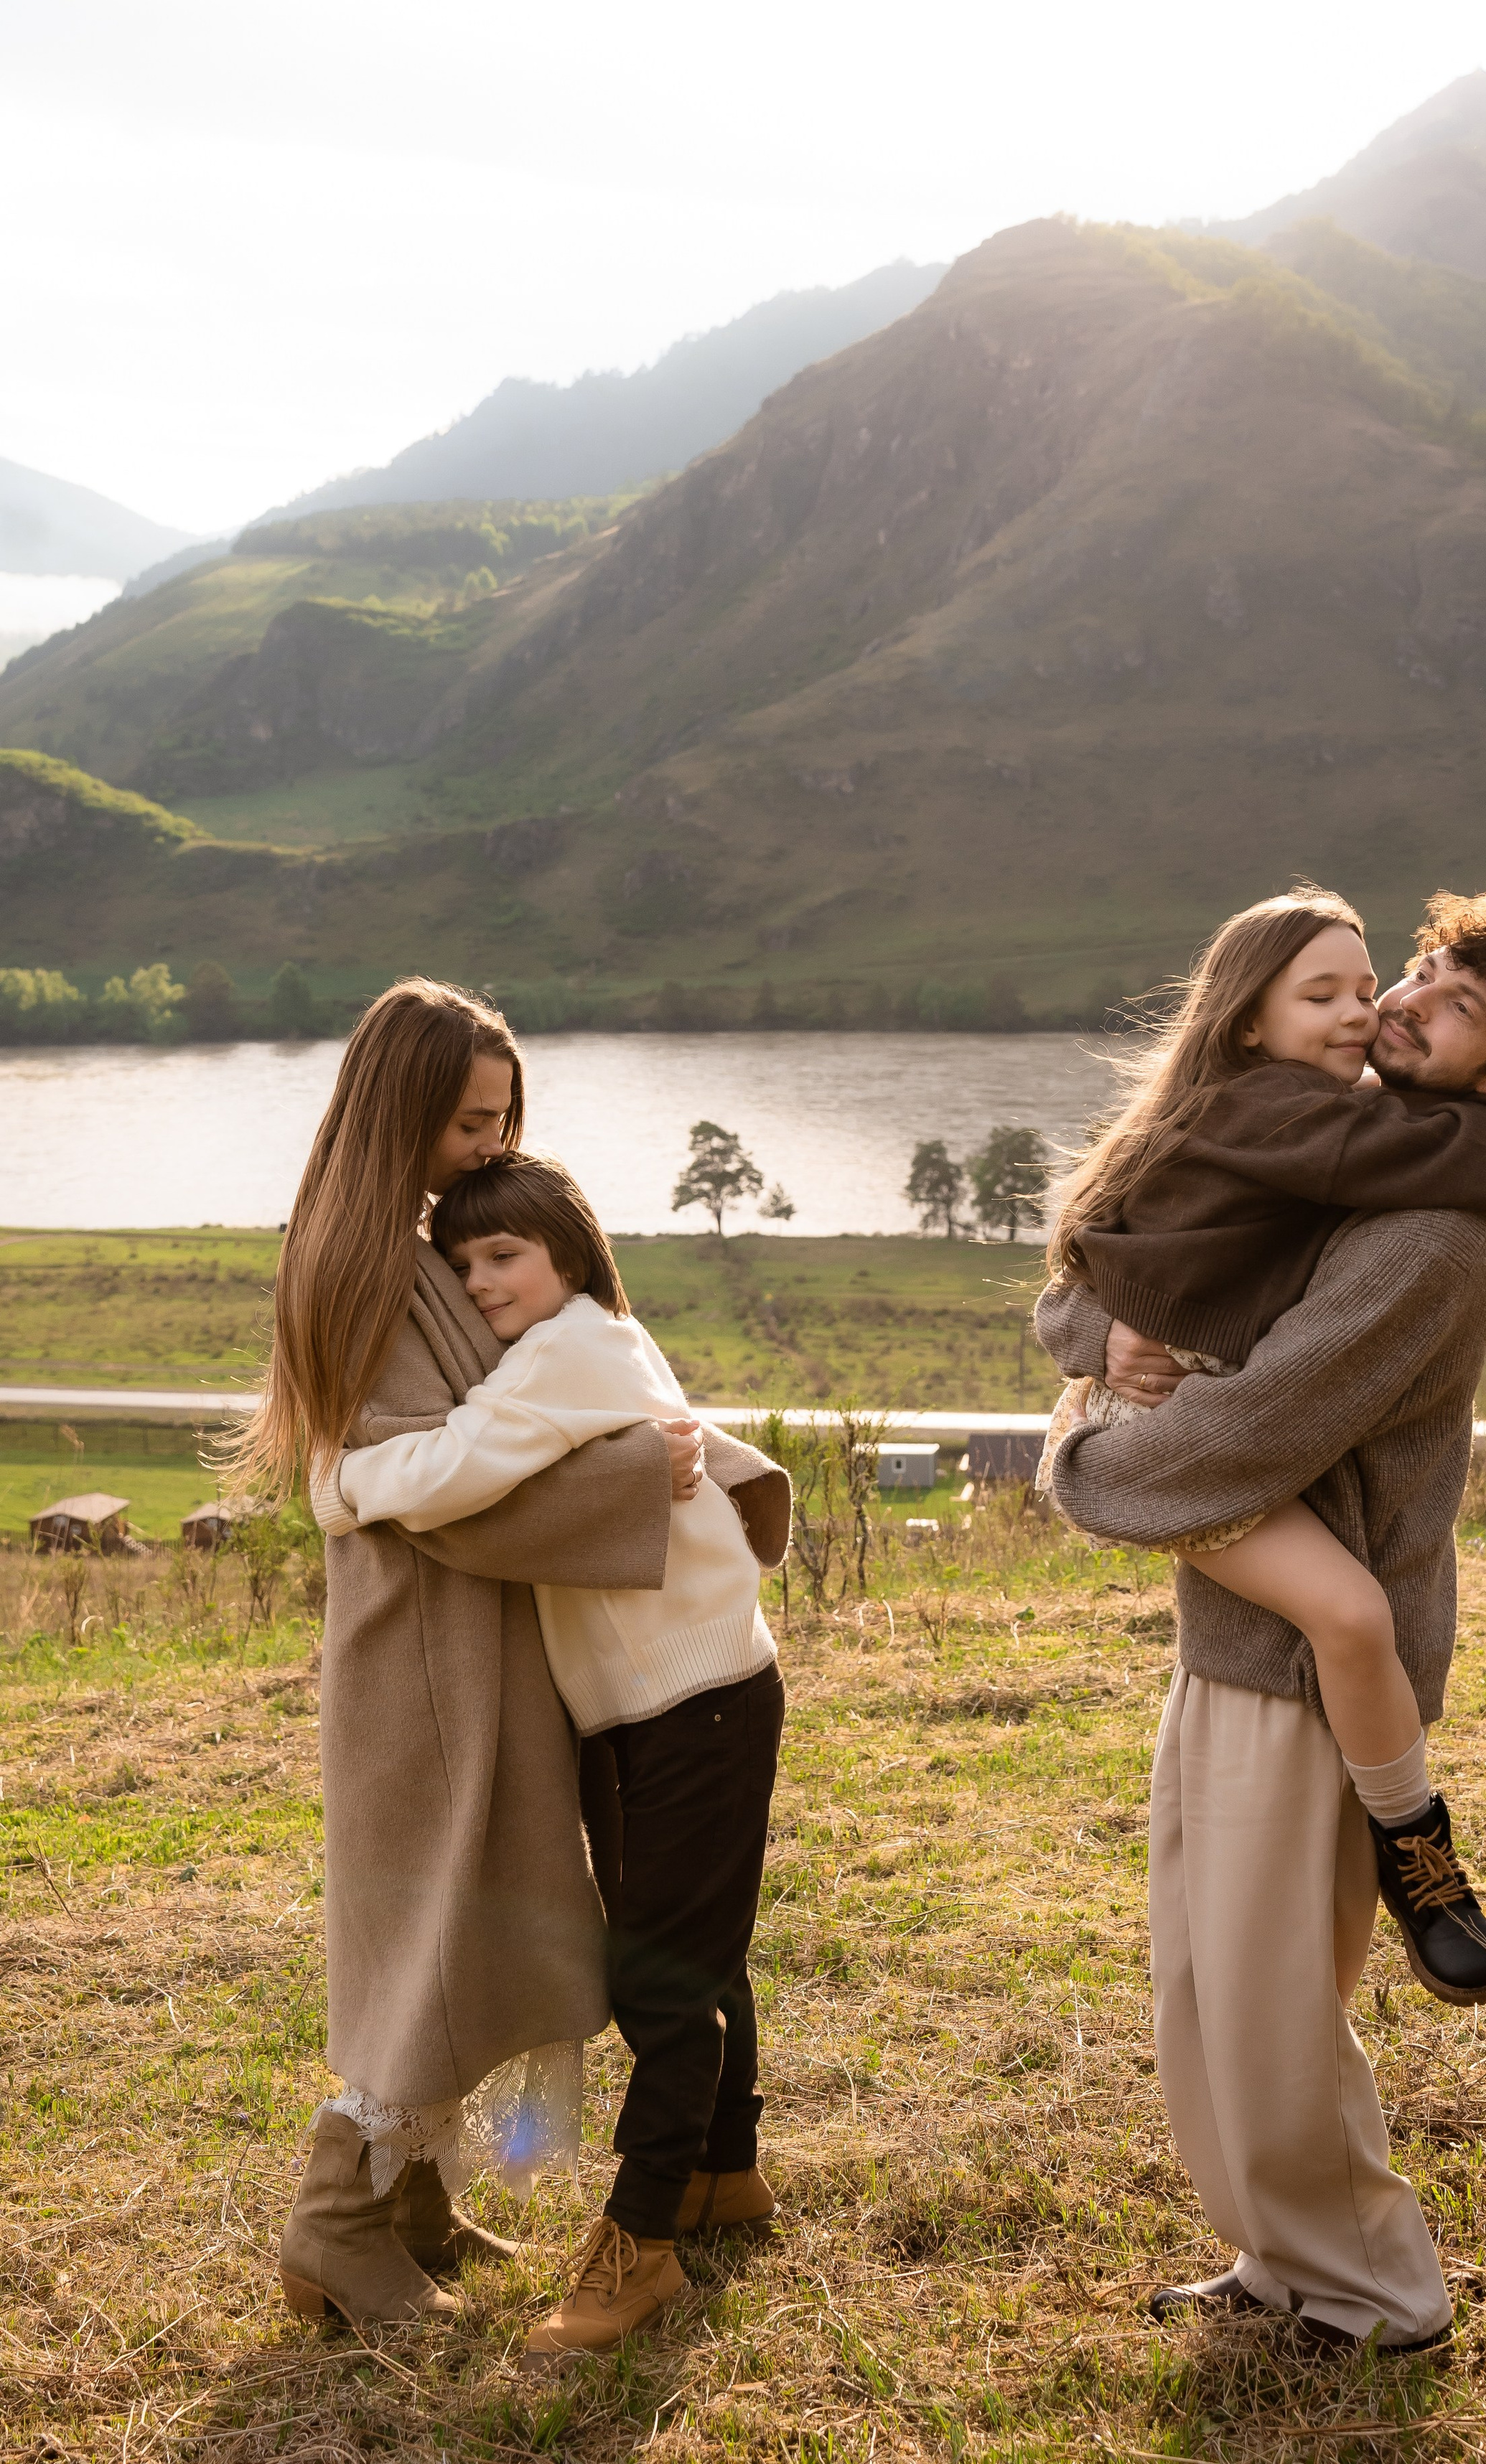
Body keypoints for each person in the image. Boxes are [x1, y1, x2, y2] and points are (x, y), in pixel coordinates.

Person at [1036, 891, 1486, 2351]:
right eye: (1414, 973)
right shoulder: (1338, 1153)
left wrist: (1081, 1459)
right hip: (1234, 1626)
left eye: (1448, 1001)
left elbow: (1255, 1427)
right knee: (1206, 1981)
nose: (1403, 1003)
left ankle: (1373, 2290)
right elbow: (1131, 1267)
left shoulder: (1429, 1231)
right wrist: (1093, 1348)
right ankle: (1277, 2261)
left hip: (1306, 1659)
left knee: (1271, 2002)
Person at [232, 978, 784, 2338]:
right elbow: (444, 1480)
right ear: (402, 1110)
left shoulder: (407, 1240)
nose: (490, 1144)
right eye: (468, 1120)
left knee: (477, 1907)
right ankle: (339, 2221)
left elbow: (499, 1439)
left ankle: (413, 2196)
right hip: (428, 1637)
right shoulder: (359, 1262)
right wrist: (640, 1477)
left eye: (504, 1117)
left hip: (484, 1629)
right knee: (428, 1920)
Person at [1040, 886, 1486, 2006]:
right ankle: (1420, 1856)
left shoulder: (1325, 1120)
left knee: (1352, 1622)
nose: (1375, 1011)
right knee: (1350, 1612)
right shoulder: (1290, 1114)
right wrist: (1097, 1377)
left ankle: (1416, 1856)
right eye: (1331, 992)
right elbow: (1079, 1268)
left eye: (1373, 989)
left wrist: (1107, 1330)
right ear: (1248, 1020)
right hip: (1168, 1430)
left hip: (1198, 1423)